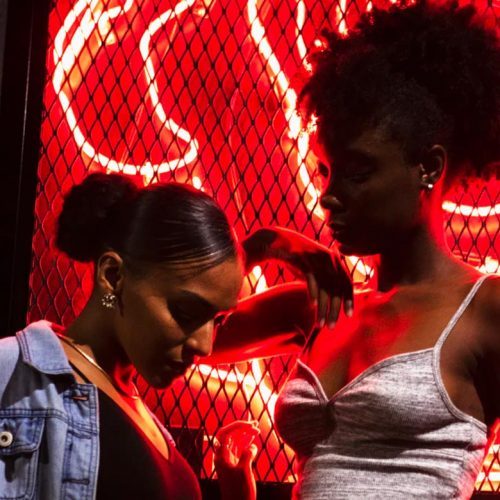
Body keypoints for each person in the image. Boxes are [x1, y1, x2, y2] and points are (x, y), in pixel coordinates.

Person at [0, 172, 348, 499]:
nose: (205, 346)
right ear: (113, 276)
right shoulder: (12, 376)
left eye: (219, 321)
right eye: (185, 312)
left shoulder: (136, 414)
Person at [272, 1, 500, 498]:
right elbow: (175, 322)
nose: (328, 196)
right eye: (324, 172)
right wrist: (269, 243)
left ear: (428, 168)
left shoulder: (485, 308)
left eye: (357, 173)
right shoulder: (322, 307)